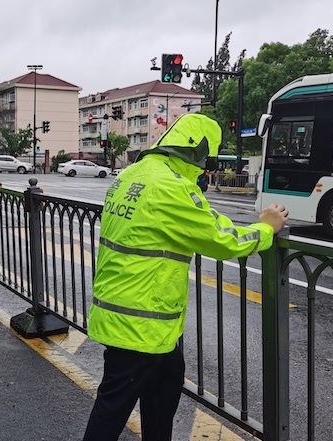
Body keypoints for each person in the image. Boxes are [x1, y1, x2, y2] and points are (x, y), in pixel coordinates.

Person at [82, 113, 288, 441]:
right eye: (207, 159)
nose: (207, 168)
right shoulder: (171, 187)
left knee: (162, 394)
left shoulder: (132, 174)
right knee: (113, 409)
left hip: (135, 318)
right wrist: (267, 227)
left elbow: (200, 219)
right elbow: (224, 240)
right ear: (197, 152)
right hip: (140, 325)